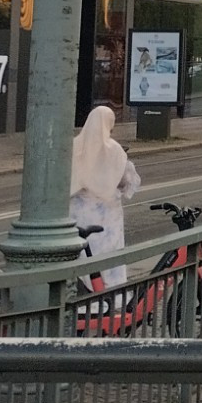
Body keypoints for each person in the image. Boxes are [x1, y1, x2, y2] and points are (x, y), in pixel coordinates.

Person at [69, 105, 140, 288]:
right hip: (107, 217)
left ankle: (82, 292)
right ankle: (110, 294)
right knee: (109, 257)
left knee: (82, 255)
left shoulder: (75, 146)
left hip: (78, 213)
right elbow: (127, 182)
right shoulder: (114, 150)